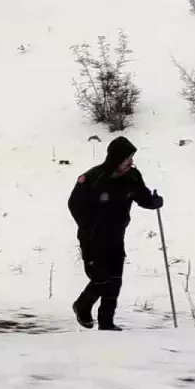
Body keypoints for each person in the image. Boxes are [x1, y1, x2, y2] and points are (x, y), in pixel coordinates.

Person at [68, 136, 162, 331]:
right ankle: (82, 306)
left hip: (116, 236)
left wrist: (154, 202)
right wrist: (87, 226)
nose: (131, 162)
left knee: (115, 281)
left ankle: (106, 322)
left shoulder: (132, 177)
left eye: (132, 158)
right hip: (92, 238)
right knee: (100, 278)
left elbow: (142, 197)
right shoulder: (93, 178)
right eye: (127, 159)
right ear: (116, 158)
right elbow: (74, 204)